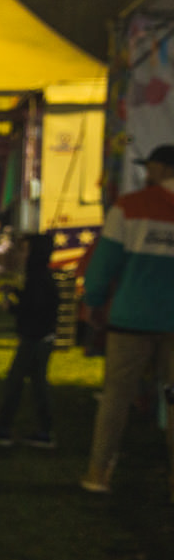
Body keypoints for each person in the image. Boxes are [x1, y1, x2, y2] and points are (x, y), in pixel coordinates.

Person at [80, 143, 174, 502]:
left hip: (132, 319)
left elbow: (104, 264)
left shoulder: (131, 206)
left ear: (160, 169)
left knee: (116, 398)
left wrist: (93, 302)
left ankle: (98, 473)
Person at [0, 233, 60, 448]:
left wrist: (12, 306)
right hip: (40, 337)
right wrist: (17, 293)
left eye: (25, 250)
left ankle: (3, 430)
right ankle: (42, 431)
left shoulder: (38, 278)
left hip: (35, 339)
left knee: (16, 384)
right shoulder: (40, 276)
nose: (20, 255)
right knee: (34, 385)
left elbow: (34, 309)